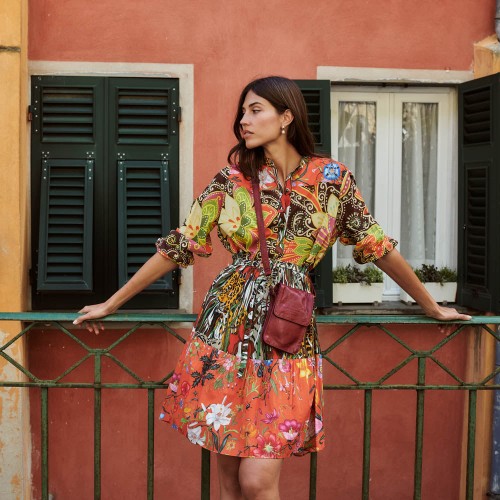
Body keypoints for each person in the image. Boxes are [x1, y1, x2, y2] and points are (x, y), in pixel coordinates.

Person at [73, 76, 471, 500]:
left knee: (257, 480)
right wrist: (111, 303)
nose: (243, 121)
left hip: (286, 335)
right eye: (242, 112)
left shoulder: (331, 179)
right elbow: (181, 244)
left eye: (255, 110)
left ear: (286, 117)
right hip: (226, 332)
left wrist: (431, 305)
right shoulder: (231, 180)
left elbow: (377, 246)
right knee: (230, 480)